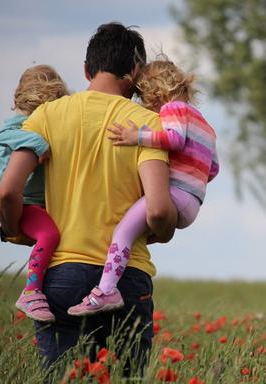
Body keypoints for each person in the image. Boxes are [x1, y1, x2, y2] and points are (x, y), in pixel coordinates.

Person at [0, 22, 177, 374]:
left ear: (86, 69)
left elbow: (7, 191)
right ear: (136, 72)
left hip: (60, 276)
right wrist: (165, 229)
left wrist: (14, 228)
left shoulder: (46, 116)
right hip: (126, 279)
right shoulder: (147, 124)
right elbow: (157, 210)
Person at [68, 57, 219, 316]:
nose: (143, 104)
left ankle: (106, 291)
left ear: (156, 91)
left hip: (174, 195)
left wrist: (135, 137)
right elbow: (213, 168)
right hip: (193, 202)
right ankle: (114, 277)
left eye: (143, 96)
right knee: (135, 233)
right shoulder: (205, 125)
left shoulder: (173, 109)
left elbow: (173, 139)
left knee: (122, 232)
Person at [0, 65, 68, 322]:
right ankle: (31, 290)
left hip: (38, 203)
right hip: (25, 203)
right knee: (49, 234)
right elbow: (5, 135)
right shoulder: (18, 125)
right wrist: (39, 144)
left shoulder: (32, 123)